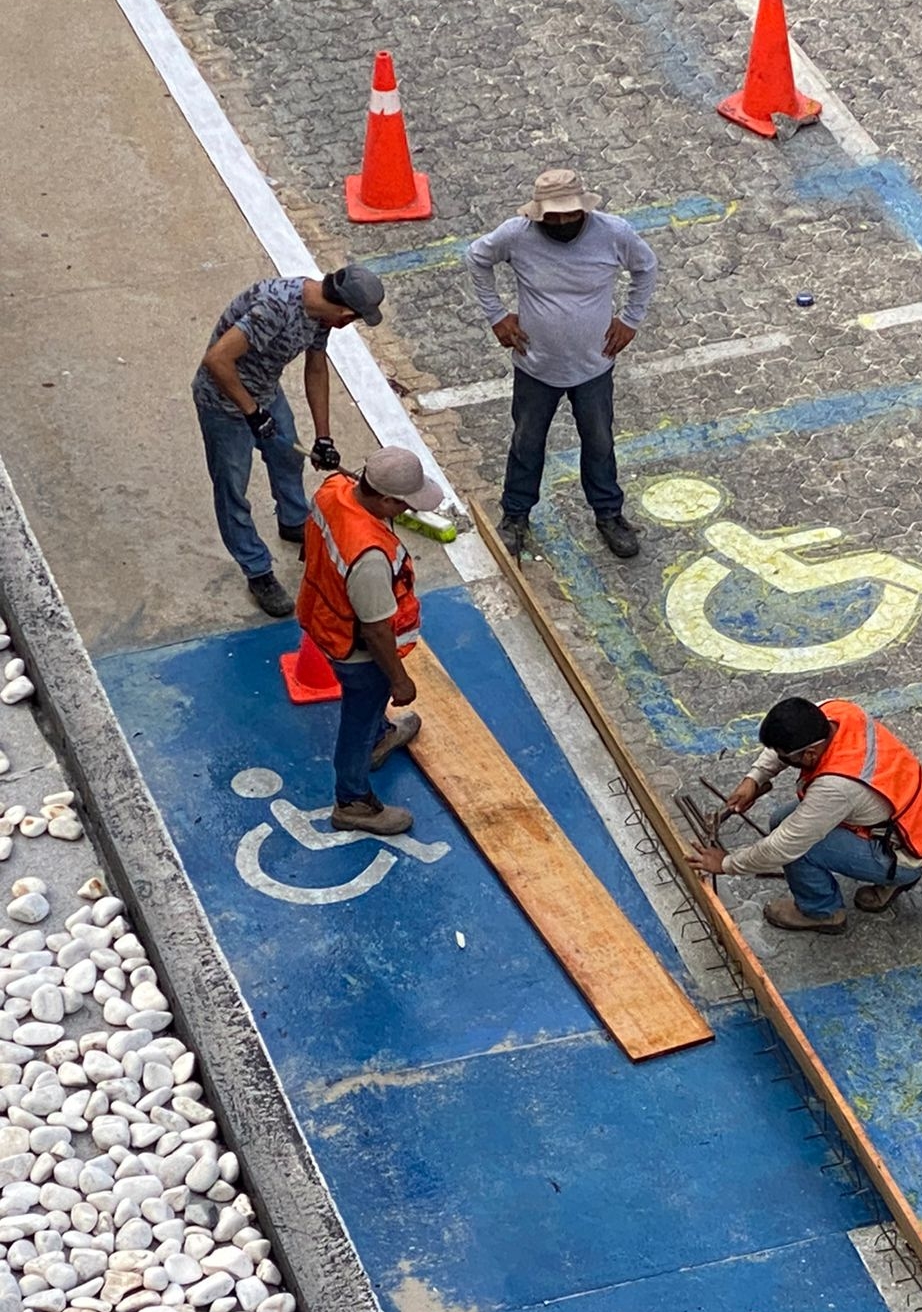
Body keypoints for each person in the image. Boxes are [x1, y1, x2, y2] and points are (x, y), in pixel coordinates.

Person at [465, 168, 658, 560]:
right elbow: (476, 258)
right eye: (555, 216)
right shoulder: (516, 235)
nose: (565, 221)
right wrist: (497, 315)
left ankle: (609, 514)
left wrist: (631, 320)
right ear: (539, 214)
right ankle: (515, 516)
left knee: (600, 441)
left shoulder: (613, 233)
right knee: (527, 442)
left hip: (594, 367)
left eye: (572, 214)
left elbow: (646, 267)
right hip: (536, 367)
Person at [192, 266, 386, 617]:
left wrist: (323, 436)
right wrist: (252, 412)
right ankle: (257, 569)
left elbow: (316, 367)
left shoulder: (320, 316)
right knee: (232, 487)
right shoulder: (275, 309)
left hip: (265, 392)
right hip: (223, 402)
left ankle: (293, 520)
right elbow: (217, 359)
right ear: (345, 315)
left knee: (287, 457)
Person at [686, 697, 922, 934]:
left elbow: (785, 846)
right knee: (780, 821)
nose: (782, 759)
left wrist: (726, 864)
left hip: (904, 854)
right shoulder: (834, 712)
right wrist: (754, 779)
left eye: (787, 758)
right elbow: (782, 749)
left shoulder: (836, 788)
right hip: (907, 827)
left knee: (800, 847)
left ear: (809, 754)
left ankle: (822, 913)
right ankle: (886, 880)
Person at [296, 446, 443, 836]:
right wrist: (399, 680)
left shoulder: (333, 490)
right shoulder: (370, 557)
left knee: (367, 715)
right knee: (358, 721)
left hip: (324, 619)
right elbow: (377, 631)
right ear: (384, 498)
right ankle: (353, 801)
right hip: (357, 652)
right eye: (404, 505)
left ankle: (380, 736)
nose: (407, 512)